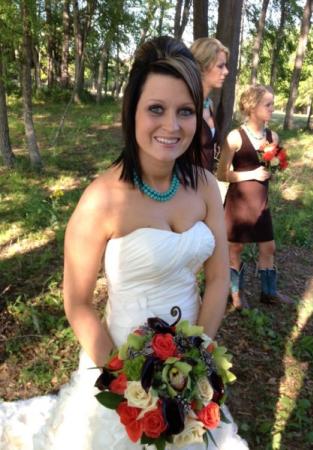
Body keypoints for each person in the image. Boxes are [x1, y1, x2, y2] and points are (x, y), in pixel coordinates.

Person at [0, 37, 248, 450]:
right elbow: (78, 302)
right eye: (156, 109)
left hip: (188, 371)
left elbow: (219, 277)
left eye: (185, 111)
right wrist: (126, 381)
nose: (171, 126)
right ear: (131, 110)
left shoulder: (205, 185)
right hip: (117, 368)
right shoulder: (101, 198)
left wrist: (194, 364)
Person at [217, 84, 292, 310]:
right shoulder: (235, 137)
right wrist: (252, 174)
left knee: (268, 247)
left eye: (272, 104)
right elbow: (221, 173)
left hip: (261, 201)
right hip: (239, 202)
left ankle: (269, 292)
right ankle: (235, 295)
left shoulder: (273, 136)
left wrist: (276, 166)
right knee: (235, 248)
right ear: (252, 107)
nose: (272, 108)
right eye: (268, 104)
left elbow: (273, 164)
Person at [190, 37, 229, 173]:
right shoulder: (185, 105)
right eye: (220, 66)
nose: (226, 71)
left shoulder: (209, 104)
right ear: (202, 67)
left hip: (204, 185)